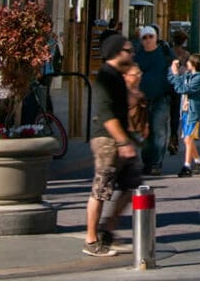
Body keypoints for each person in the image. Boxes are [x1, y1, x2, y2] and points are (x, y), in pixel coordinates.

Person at [84, 32, 142, 257]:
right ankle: (91, 240)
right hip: (107, 141)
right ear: (117, 52)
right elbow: (107, 115)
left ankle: (107, 230)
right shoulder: (106, 77)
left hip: (120, 139)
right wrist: (122, 141)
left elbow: (126, 103)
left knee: (132, 185)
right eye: (128, 50)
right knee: (101, 190)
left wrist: (134, 86)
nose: (132, 53)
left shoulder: (118, 76)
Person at [133, 26, 172, 176]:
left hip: (161, 97)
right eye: (145, 37)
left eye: (151, 36)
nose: (148, 39)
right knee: (146, 131)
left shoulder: (164, 51)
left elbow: (175, 67)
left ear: (156, 37)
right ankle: (147, 161)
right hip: (142, 98)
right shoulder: (137, 54)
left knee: (158, 129)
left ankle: (156, 163)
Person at [169, 53, 200, 177]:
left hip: (193, 111)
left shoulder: (199, 78)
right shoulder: (188, 75)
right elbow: (174, 81)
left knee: (188, 138)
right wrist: (173, 70)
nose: (187, 63)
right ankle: (198, 161)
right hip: (185, 110)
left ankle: (187, 166)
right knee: (187, 138)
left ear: (194, 64)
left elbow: (183, 89)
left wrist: (175, 74)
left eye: (189, 61)